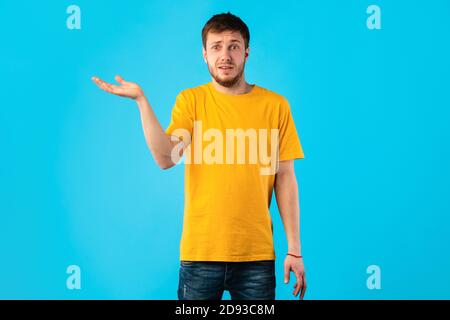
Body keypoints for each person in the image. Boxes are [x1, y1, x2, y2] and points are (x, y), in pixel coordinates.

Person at [92, 12, 306, 300]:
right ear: (204, 54)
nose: (225, 55)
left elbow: (285, 179)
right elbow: (166, 158)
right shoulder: (191, 102)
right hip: (200, 256)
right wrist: (142, 102)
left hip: (256, 257)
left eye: (233, 46)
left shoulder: (275, 106)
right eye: (216, 47)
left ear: (247, 52)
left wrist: (294, 249)